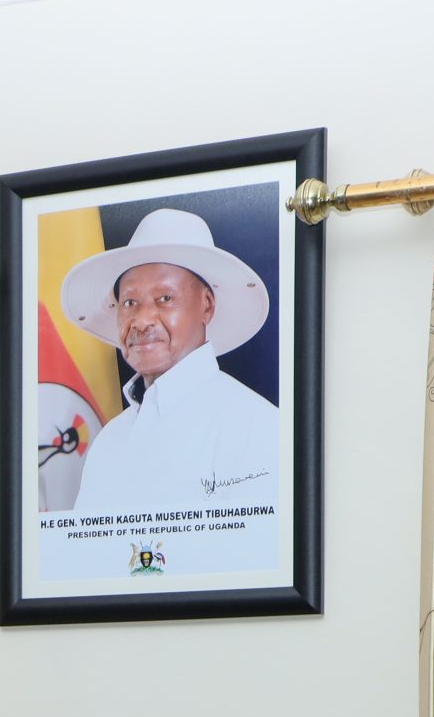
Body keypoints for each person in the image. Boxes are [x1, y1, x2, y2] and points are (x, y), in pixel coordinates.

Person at [62, 206, 280, 518]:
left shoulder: (258, 429)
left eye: (165, 299)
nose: (141, 320)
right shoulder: (109, 440)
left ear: (207, 306)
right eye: (130, 302)